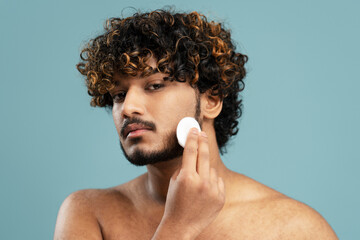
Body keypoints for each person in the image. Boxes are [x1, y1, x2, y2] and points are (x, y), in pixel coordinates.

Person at [54, 9, 338, 240]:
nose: (127, 107)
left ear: (212, 100)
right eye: (118, 95)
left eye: (154, 85)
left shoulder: (294, 229)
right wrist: (177, 228)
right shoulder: (89, 214)